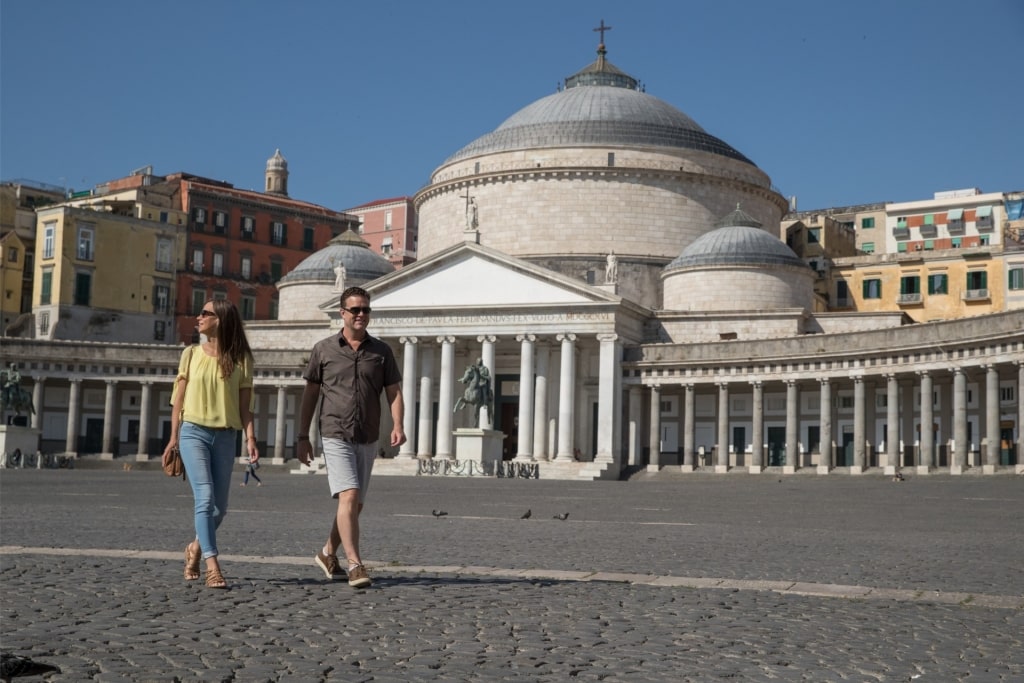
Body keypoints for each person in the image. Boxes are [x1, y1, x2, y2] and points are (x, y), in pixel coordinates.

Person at [296, 286, 405, 589]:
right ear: (342, 313)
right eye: (355, 309)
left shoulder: (381, 352)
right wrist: (303, 435)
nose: (361, 314)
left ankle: (328, 552)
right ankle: (356, 564)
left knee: (355, 505)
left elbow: (394, 391)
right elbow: (311, 394)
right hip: (335, 432)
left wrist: (398, 424)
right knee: (350, 495)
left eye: (366, 309)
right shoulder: (324, 349)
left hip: (367, 434)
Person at [163, 300, 258, 589]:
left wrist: (251, 438)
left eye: (206, 313)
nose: (199, 316)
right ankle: (212, 565)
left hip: (226, 436)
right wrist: (173, 438)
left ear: (222, 320)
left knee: (220, 509)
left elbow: (246, 407)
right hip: (193, 432)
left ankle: (194, 547)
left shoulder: (241, 358)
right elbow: (178, 400)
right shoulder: (190, 354)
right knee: (204, 498)